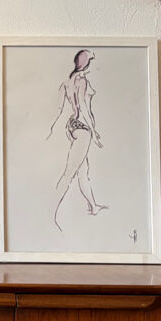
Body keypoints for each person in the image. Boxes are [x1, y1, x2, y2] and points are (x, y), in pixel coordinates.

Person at [47, 49, 106, 228]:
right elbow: (83, 108)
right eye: (92, 61)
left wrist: (56, 128)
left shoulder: (67, 81)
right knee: (69, 173)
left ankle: (93, 205)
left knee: (82, 172)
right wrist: (94, 132)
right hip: (83, 129)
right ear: (86, 63)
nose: (94, 65)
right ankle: (49, 213)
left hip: (73, 126)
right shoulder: (82, 81)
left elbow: (59, 109)